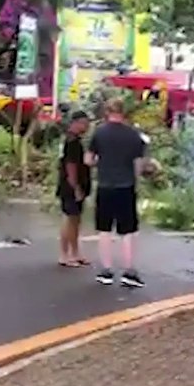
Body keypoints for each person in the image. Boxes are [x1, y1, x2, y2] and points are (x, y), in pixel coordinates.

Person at [85, 97, 150, 288]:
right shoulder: (133, 135)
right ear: (124, 112)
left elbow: (88, 159)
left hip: (105, 186)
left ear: (107, 112)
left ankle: (106, 271)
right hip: (126, 186)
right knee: (128, 231)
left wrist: (102, 164)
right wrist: (135, 179)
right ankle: (129, 271)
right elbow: (138, 164)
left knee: (104, 230)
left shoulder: (99, 133)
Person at [57, 110, 92, 268]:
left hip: (79, 185)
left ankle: (75, 252)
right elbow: (70, 166)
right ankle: (64, 254)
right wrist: (75, 187)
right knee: (69, 219)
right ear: (75, 122)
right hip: (71, 186)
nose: (86, 127)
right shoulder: (71, 141)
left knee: (76, 220)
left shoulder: (77, 140)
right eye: (83, 123)